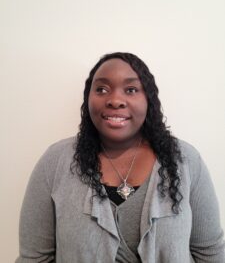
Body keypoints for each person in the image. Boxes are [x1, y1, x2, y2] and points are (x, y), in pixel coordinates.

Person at [16, 52, 225, 263]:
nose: (115, 100)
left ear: (148, 100)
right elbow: (34, 258)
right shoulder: (55, 162)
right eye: (102, 89)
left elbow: (210, 253)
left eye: (131, 90)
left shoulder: (186, 160)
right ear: (88, 99)